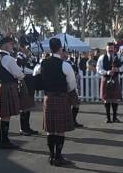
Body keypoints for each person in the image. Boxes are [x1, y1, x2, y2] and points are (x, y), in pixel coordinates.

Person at [33, 38, 76, 166]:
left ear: (50, 48)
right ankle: (58, 156)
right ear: (60, 48)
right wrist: (65, 91)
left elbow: (36, 75)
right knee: (60, 129)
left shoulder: (42, 63)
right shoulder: (65, 65)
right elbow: (72, 84)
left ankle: (51, 156)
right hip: (61, 97)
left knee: (50, 129)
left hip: (48, 98)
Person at [0, 37, 25, 149]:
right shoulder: (8, 59)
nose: (12, 47)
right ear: (6, 45)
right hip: (8, 87)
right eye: (11, 44)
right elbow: (20, 74)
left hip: (0, 86)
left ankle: (3, 140)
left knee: (3, 115)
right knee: (6, 115)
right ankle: (4, 141)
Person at [96, 42, 123, 123]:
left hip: (115, 78)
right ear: (106, 48)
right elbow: (98, 68)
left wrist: (118, 69)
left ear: (114, 49)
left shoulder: (119, 56)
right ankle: (108, 118)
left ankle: (115, 117)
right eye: (109, 48)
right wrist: (107, 72)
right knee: (106, 99)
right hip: (105, 79)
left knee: (115, 99)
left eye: (112, 48)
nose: (110, 50)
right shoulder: (102, 57)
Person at [16, 43, 38, 136]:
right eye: (25, 47)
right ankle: (23, 129)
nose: (28, 49)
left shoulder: (27, 57)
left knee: (28, 107)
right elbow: (22, 71)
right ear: (21, 47)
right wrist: (34, 70)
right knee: (24, 107)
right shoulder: (19, 58)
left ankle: (27, 127)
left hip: (30, 83)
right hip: (24, 83)